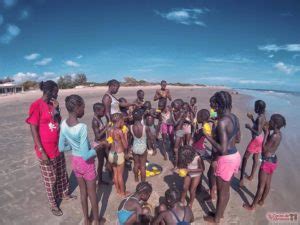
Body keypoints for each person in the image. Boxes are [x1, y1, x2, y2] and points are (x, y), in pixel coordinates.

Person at [26, 80, 74, 216]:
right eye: (56, 92)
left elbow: (57, 122)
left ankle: (64, 194)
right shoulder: (36, 106)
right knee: (50, 179)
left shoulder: (53, 104)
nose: (57, 94)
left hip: (57, 147)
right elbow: (33, 129)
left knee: (61, 174)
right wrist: (41, 151)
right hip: (46, 150)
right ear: (50, 91)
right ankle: (53, 204)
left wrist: (57, 109)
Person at [59, 95, 105, 225]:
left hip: (75, 162)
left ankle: (86, 220)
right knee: (92, 194)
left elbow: (61, 147)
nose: (84, 110)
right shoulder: (82, 127)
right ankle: (96, 220)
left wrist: (75, 146)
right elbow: (86, 155)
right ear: (77, 108)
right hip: (86, 164)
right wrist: (98, 146)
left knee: (83, 192)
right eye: (83, 107)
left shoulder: (63, 124)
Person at [203, 91, 241, 224]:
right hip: (235, 155)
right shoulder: (234, 117)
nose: (213, 110)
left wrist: (207, 136)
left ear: (219, 105)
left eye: (214, 107)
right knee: (226, 189)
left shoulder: (222, 122)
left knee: (221, 191)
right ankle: (220, 213)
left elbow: (222, 149)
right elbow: (238, 139)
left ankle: (216, 218)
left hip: (226, 159)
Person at [243, 114, 286, 211]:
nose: (269, 122)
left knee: (261, 186)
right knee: (268, 183)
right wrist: (266, 131)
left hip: (266, 162)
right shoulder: (279, 134)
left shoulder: (274, 135)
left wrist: (266, 133)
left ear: (274, 124)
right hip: (273, 161)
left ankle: (252, 206)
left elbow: (264, 148)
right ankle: (261, 201)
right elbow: (270, 145)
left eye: (271, 121)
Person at [240, 100, 266, 186]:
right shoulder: (262, 116)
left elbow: (257, 132)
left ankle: (241, 179)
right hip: (260, 139)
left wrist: (249, 127)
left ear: (258, 108)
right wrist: (252, 119)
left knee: (245, 157)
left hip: (256, 139)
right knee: (255, 158)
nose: (254, 108)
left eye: (255, 107)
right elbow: (258, 126)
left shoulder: (259, 118)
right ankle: (251, 176)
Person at [107, 113, 129, 197]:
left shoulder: (109, 130)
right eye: (122, 120)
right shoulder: (119, 131)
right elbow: (126, 145)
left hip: (111, 154)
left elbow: (109, 141)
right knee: (120, 175)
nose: (123, 122)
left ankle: (118, 190)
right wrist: (125, 134)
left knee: (115, 173)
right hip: (119, 154)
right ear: (119, 121)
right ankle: (123, 192)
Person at [92, 102, 110, 185]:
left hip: (103, 143)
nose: (104, 113)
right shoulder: (95, 121)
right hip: (99, 145)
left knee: (109, 159)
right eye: (103, 111)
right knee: (101, 163)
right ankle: (100, 180)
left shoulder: (99, 119)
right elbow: (98, 136)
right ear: (97, 111)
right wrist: (106, 128)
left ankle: (110, 174)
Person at [130, 109, 151, 182]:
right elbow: (149, 138)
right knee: (142, 166)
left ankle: (136, 178)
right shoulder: (145, 127)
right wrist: (151, 148)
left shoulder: (131, 127)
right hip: (143, 148)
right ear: (141, 117)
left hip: (135, 147)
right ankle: (143, 181)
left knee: (136, 164)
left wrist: (129, 148)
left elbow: (130, 139)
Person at [172, 99, 185, 168]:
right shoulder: (179, 112)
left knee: (176, 149)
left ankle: (176, 166)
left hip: (179, 132)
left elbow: (175, 123)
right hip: (179, 131)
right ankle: (180, 163)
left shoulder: (181, 113)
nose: (174, 105)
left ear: (179, 106)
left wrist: (171, 114)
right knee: (179, 148)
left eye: (176, 104)